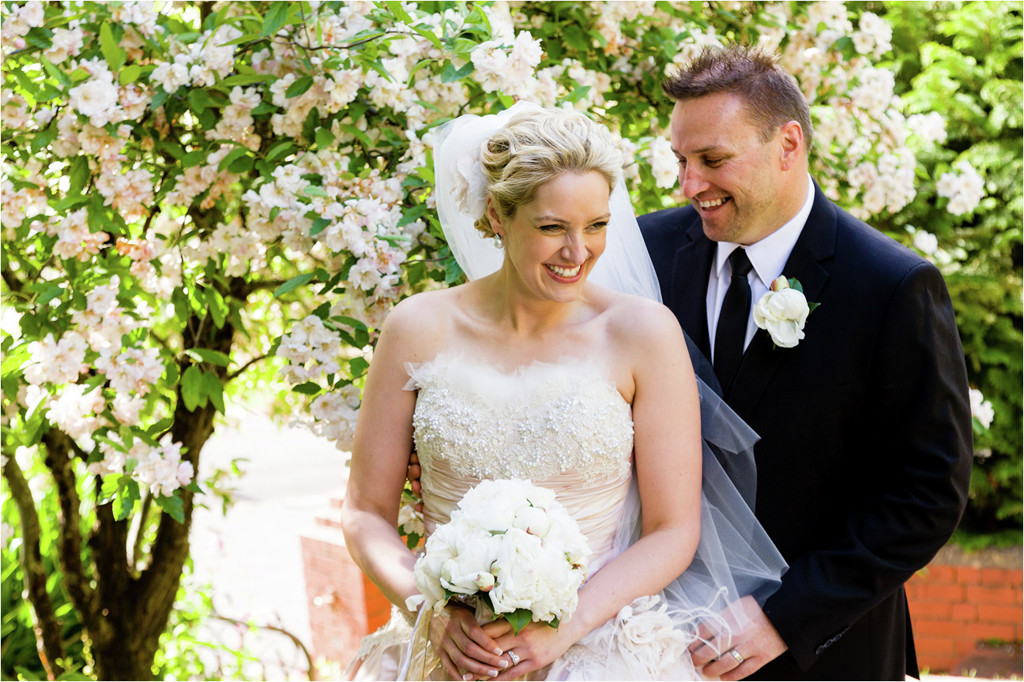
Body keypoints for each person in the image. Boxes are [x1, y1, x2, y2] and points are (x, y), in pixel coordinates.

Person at [340, 103, 786, 681]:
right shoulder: (416, 328)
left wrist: (567, 627)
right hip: (450, 653)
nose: (578, 253)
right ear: (498, 216)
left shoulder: (643, 334)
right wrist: (428, 609)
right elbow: (365, 513)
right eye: (553, 228)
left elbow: (673, 530)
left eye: (596, 226)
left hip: (599, 650)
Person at [639, 46, 973, 680]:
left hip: (822, 656)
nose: (689, 186)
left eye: (713, 160)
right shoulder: (644, 254)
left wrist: (786, 617)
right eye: (681, 161)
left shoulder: (890, 285)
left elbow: (928, 491)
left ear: (788, 144)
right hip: (654, 645)